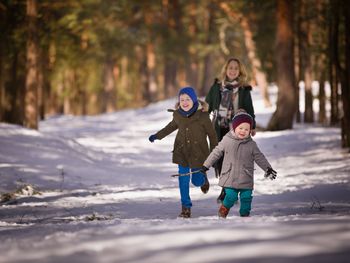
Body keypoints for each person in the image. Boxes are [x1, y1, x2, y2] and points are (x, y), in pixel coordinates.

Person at [149, 86, 218, 218]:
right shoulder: (178, 115)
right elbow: (169, 128)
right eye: (182, 100)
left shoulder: (203, 117)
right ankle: (186, 207)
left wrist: (213, 154)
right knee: (183, 180)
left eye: (188, 99)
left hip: (199, 154)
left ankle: (203, 180)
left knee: (196, 181)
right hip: (182, 152)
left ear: (194, 100)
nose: (185, 102)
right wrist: (157, 136)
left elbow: (212, 135)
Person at [201, 110, 276, 218]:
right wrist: (206, 165)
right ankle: (224, 208)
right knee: (231, 196)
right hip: (230, 177)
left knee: (247, 198)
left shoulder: (251, 145)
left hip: (246, 177)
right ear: (234, 128)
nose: (243, 131)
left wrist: (268, 169)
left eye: (246, 129)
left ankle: (245, 215)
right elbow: (216, 152)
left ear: (250, 130)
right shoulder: (227, 140)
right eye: (240, 128)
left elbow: (260, 157)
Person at [205, 57, 256, 179]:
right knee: (220, 159)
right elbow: (207, 106)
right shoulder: (216, 87)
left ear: (240, 71)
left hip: (236, 129)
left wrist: (252, 126)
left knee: (234, 159)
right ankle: (225, 186)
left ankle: (226, 190)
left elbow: (249, 109)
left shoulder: (244, 89)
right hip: (219, 128)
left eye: (236, 68)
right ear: (226, 69)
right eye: (230, 68)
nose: (233, 70)